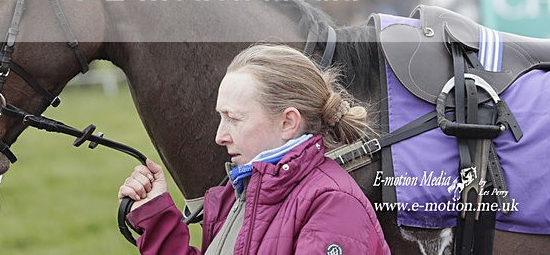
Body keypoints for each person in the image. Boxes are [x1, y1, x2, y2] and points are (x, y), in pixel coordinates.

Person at [118, 44, 390, 254]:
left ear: (288, 122)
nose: (219, 136)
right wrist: (156, 218)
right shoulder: (240, 193)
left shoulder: (333, 205)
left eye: (234, 119)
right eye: (220, 117)